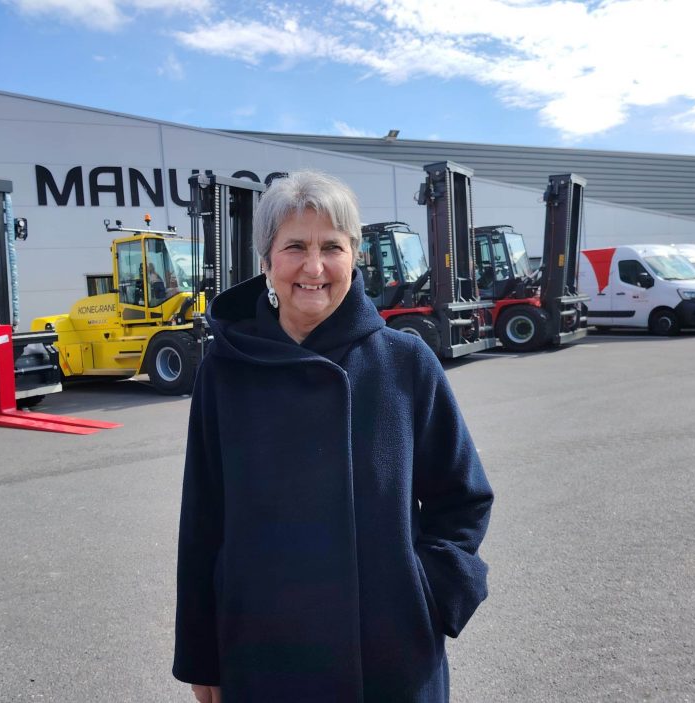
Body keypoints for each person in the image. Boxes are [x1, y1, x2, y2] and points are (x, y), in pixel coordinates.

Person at [173, 171, 493, 703]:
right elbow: (202, 521)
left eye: (331, 247)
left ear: (355, 256)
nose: (314, 267)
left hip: (390, 653)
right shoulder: (225, 371)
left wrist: (430, 592)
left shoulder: (404, 362)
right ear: (266, 261)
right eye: (295, 247)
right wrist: (200, 657)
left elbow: (463, 496)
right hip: (261, 651)